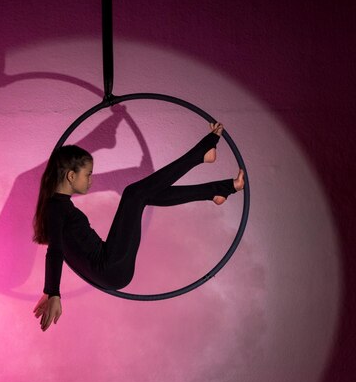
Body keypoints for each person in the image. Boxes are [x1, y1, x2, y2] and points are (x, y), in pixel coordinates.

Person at [32, 123, 245, 331]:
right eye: (88, 174)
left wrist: (49, 291)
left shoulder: (55, 206)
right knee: (133, 194)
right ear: (71, 176)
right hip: (110, 266)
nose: (91, 180)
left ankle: (217, 190)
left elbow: (63, 247)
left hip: (110, 270)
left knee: (141, 196)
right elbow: (56, 251)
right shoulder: (57, 208)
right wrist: (53, 293)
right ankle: (202, 155)